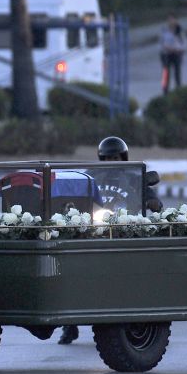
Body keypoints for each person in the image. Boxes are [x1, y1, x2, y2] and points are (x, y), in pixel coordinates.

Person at [58, 136, 163, 345]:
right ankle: (69, 325)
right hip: (96, 230)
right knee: (74, 268)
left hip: (126, 230)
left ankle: (140, 316)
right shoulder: (91, 177)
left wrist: (152, 201)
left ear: (123, 158)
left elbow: (154, 200)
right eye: (106, 158)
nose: (110, 162)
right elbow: (74, 197)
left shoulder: (134, 177)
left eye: (115, 157)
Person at [159, 14, 187, 95]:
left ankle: (179, 91)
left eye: (172, 19)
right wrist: (166, 48)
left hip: (176, 54)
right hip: (166, 54)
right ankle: (165, 91)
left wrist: (177, 49)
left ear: (176, 20)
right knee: (165, 73)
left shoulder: (180, 31)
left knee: (177, 73)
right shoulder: (164, 30)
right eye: (169, 20)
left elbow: (184, 45)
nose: (170, 22)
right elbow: (161, 43)